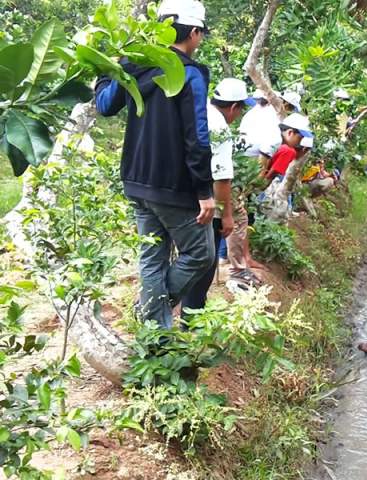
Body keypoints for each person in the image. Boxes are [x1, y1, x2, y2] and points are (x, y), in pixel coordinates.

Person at [95, 0, 214, 329]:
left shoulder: (134, 65)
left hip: (136, 180)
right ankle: (151, 312)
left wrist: (107, 71)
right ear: (193, 33)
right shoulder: (190, 74)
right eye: (200, 34)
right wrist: (205, 191)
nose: (199, 40)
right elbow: (198, 138)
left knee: (152, 255)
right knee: (201, 254)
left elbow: (105, 105)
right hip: (174, 186)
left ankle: (155, 335)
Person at [181, 78, 254, 313]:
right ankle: (192, 315)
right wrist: (226, 216)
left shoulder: (197, 111)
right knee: (205, 260)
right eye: (240, 109)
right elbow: (222, 178)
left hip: (179, 196)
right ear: (233, 107)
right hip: (205, 202)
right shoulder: (220, 127)